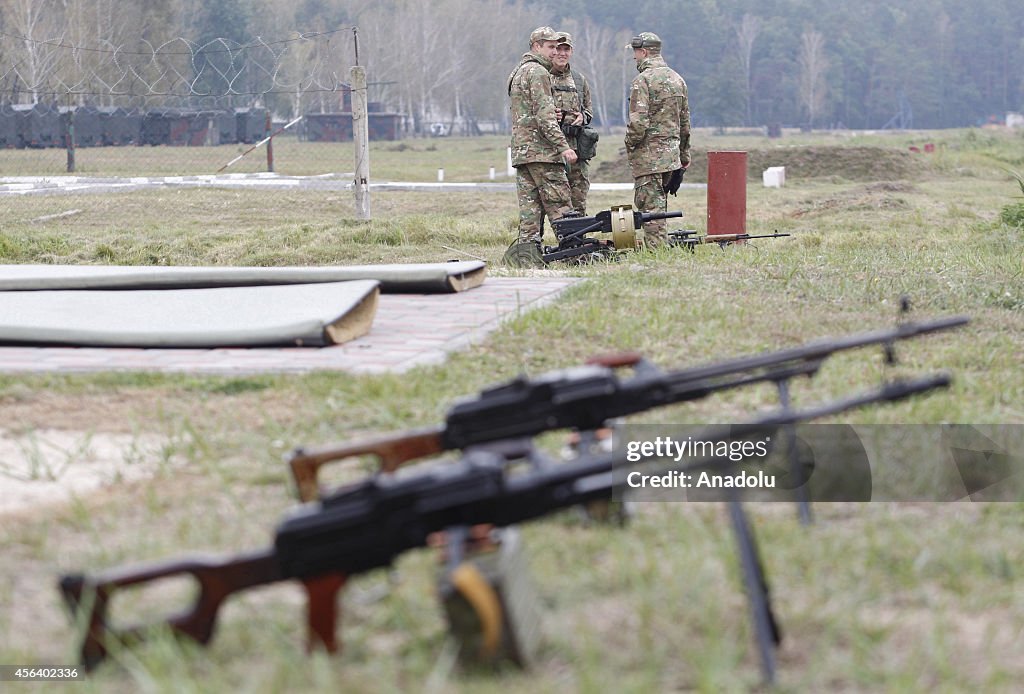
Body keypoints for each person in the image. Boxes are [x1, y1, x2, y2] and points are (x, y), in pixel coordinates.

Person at [507, 26, 578, 245]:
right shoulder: (538, 72)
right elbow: (545, 117)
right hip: (543, 152)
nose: (555, 52)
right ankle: (574, 250)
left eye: (557, 47)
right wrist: (563, 146)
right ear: (536, 46)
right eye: (550, 47)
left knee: (530, 210)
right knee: (560, 205)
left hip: (523, 153)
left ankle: (526, 252)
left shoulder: (517, 72)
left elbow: (527, 111)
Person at [625, 32, 690, 248]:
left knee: (650, 210)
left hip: (648, 158)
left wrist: (630, 144)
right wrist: (684, 155)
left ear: (643, 52)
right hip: (670, 158)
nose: (634, 57)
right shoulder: (677, 79)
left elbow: (638, 124)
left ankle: (657, 253)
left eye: (635, 53)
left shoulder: (642, 81)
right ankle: (660, 248)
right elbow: (684, 123)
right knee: (659, 206)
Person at [550, 32, 594, 214]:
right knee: (551, 200)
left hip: (577, 150)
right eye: (558, 48)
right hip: (552, 150)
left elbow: (589, 110)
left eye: (566, 49)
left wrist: (583, 117)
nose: (562, 53)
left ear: (571, 51)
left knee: (578, 200)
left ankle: (578, 240)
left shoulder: (578, 79)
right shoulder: (542, 77)